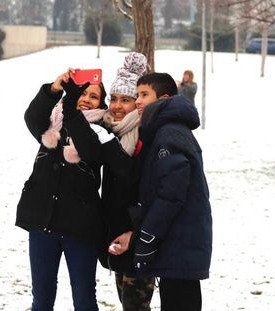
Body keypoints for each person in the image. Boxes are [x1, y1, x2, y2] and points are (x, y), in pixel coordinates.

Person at [16, 68, 113, 311]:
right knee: (42, 297)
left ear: (101, 103)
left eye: (93, 96)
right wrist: (54, 88)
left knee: (84, 300)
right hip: (42, 223)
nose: (86, 99)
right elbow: (31, 116)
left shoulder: (103, 131)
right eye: (81, 93)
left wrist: (70, 107)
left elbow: (91, 151)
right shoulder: (51, 124)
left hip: (79, 229)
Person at [133, 72, 212, 311]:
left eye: (144, 95)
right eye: (137, 94)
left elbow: (171, 194)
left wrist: (148, 235)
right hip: (178, 243)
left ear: (164, 99)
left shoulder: (169, 134)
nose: (137, 101)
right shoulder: (167, 130)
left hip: (180, 242)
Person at [98, 52, 155, 311]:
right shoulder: (112, 129)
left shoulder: (145, 133)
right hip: (116, 235)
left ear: (138, 104)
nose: (117, 106)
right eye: (113, 98)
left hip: (139, 237)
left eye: (126, 100)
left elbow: (134, 179)